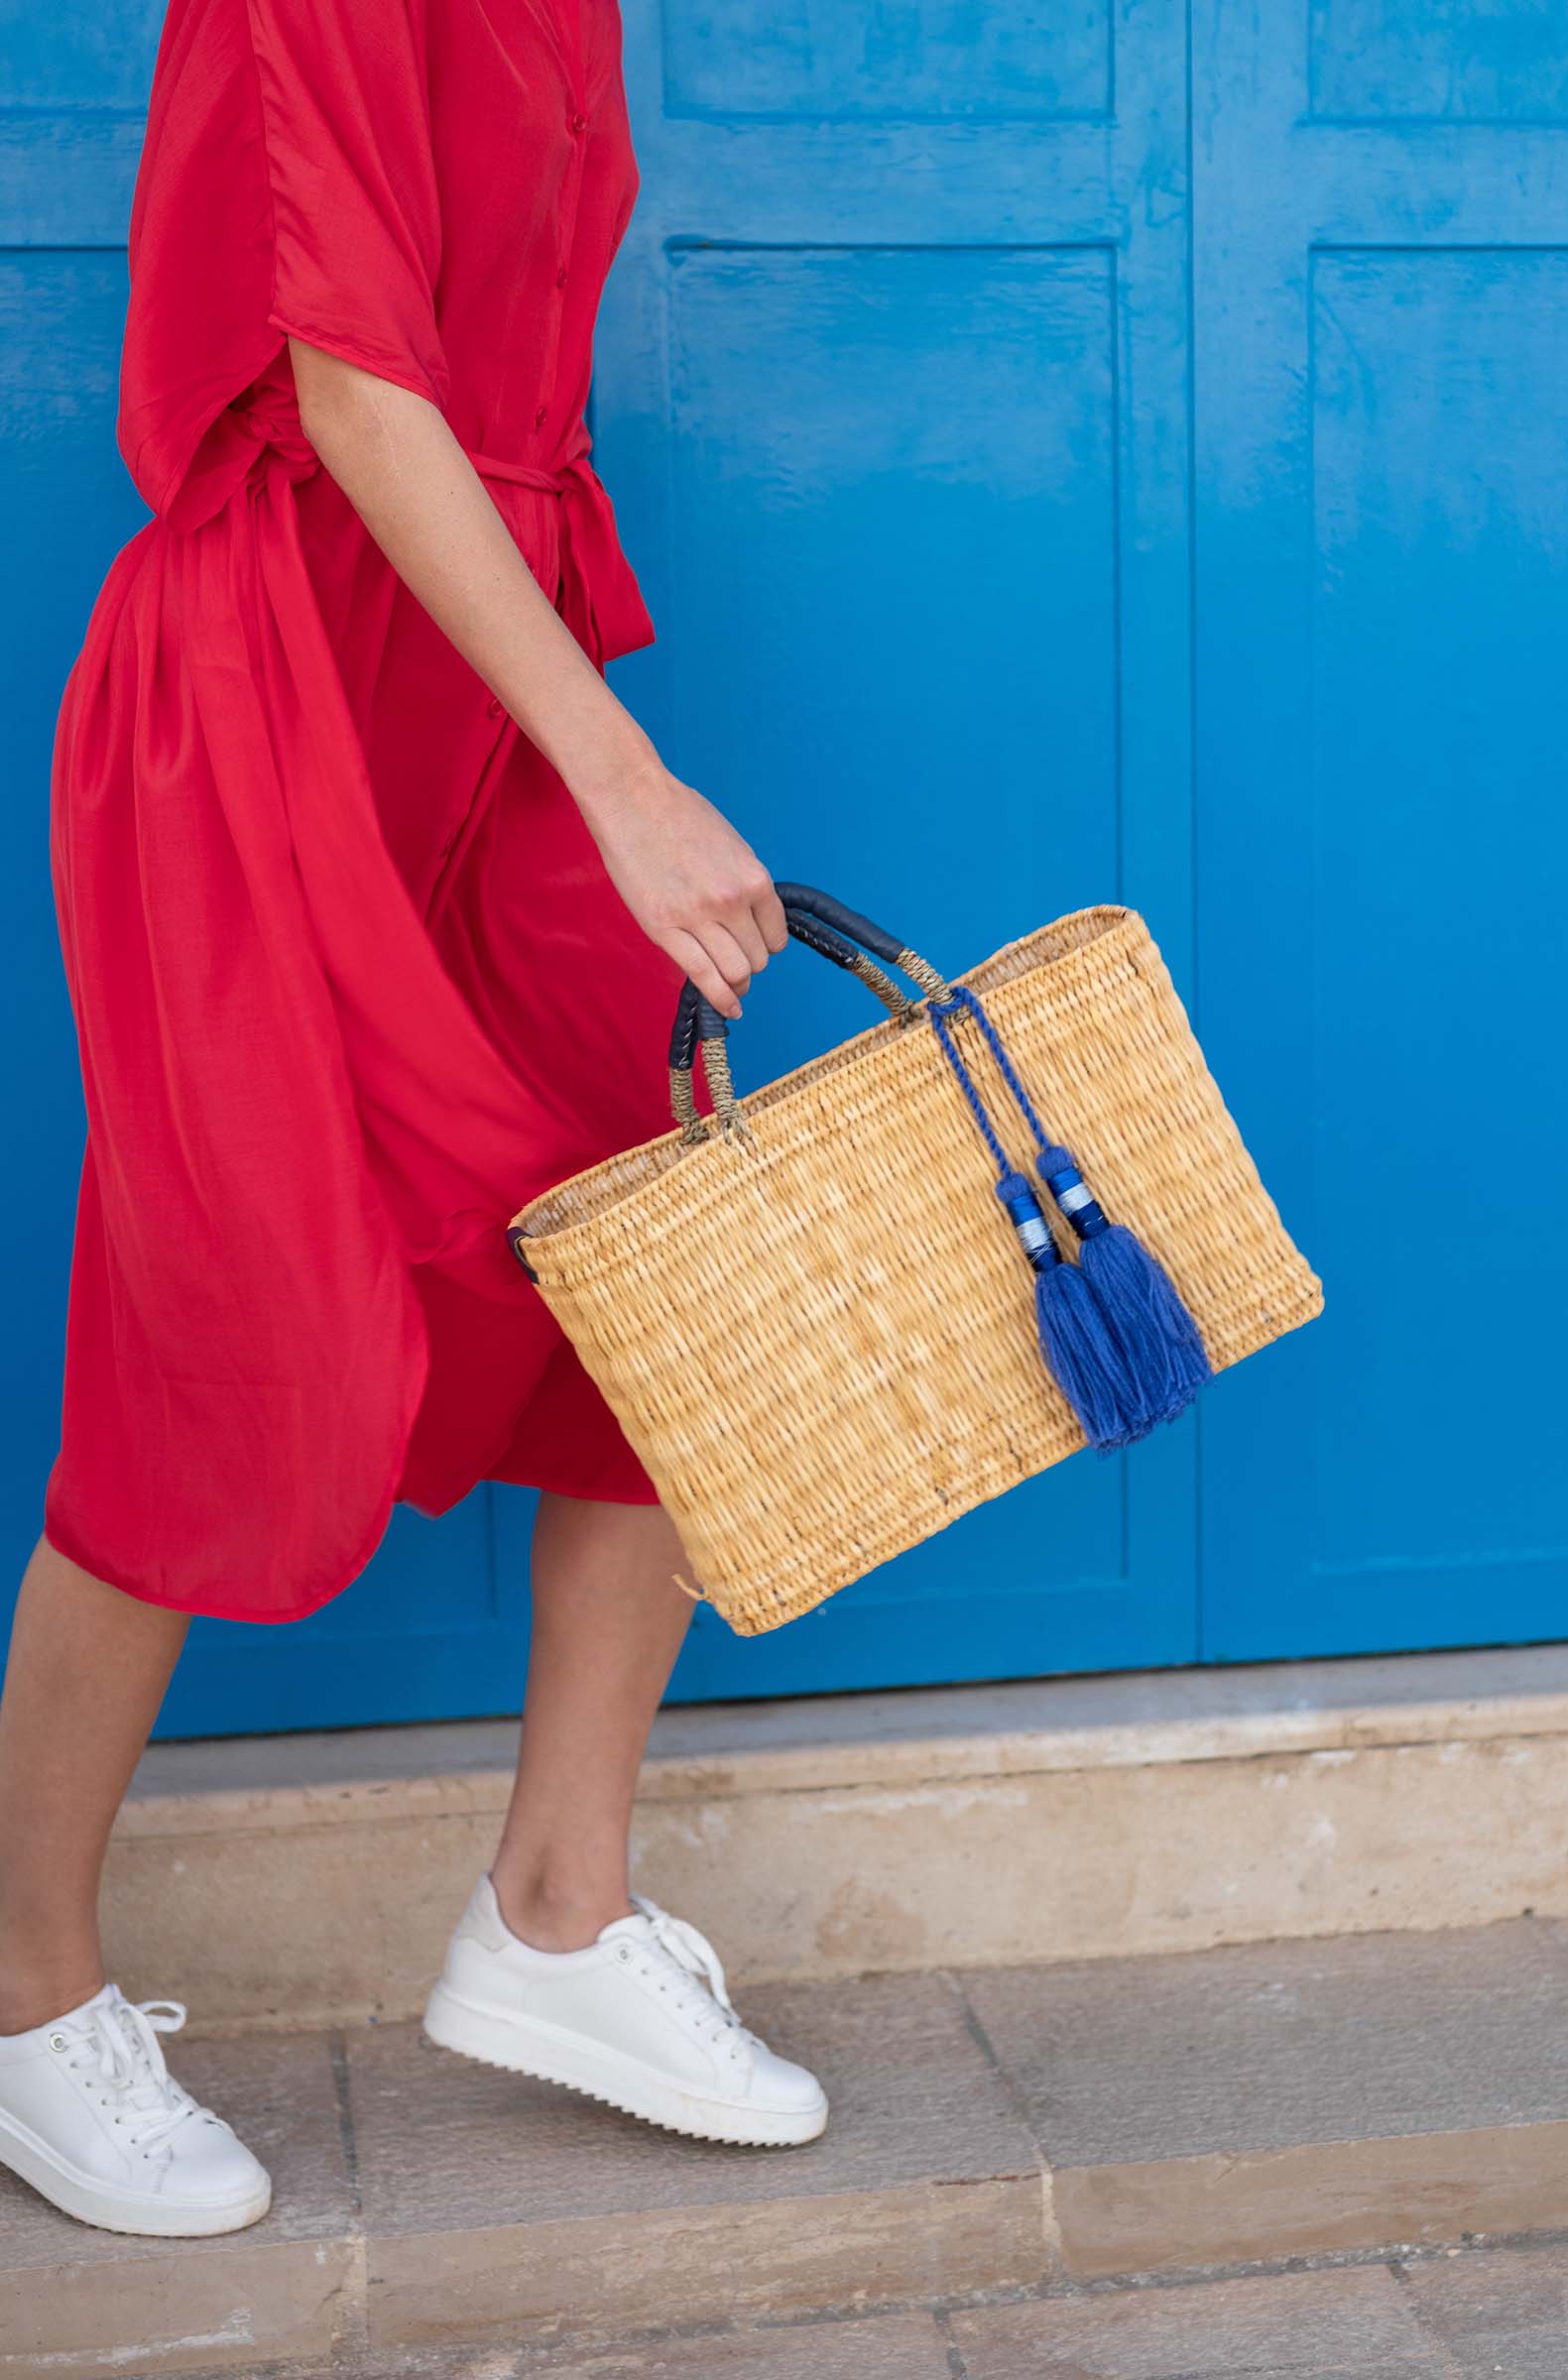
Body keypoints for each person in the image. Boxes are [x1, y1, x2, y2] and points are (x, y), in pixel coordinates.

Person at [0, 0, 827, 2240]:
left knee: (650, 1267)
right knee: (231, 1343)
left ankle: (556, 1918)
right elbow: (355, 383)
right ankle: (22, 1994)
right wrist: (627, 776)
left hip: (487, 688)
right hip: (276, 690)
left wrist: (574, 751)